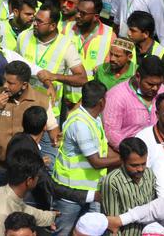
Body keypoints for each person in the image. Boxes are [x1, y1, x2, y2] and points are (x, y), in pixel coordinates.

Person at [0, 60, 59, 198]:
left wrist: (56, 141)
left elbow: (53, 129)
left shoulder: (41, 100)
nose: (5, 86)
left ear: (24, 84)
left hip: (23, 173)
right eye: (5, 80)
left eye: (11, 83)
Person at [51, 80, 121, 236]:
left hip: (92, 190)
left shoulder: (93, 119)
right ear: (102, 102)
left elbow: (104, 149)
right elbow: (96, 162)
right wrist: (124, 160)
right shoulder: (80, 124)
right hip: (70, 193)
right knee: (63, 233)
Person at [0, 149, 57, 236]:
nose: (38, 180)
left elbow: (25, 209)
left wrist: (51, 216)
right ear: (29, 181)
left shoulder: (3, 192)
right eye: (38, 177)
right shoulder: (0, 216)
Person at [104, 55, 164, 150]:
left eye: (159, 84)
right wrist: (133, 153)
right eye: (150, 84)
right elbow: (111, 133)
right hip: (130, 155)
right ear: (138, 76)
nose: (155, 88)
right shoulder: (116, 96)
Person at [99, 136, 156, 236]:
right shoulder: (112, 182)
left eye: (143, 164)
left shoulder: (149, 174)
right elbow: (113, 224)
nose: (140, 169)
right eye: (134, 165)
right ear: (122, 160)